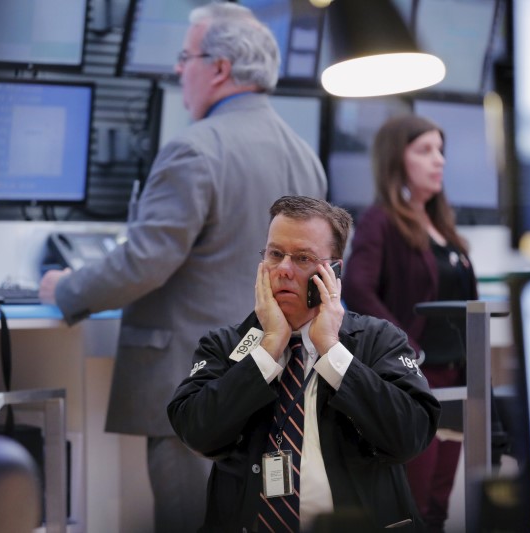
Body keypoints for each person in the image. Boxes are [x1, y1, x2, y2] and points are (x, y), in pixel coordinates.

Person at [39, 3, 327, 531]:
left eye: (185, 56)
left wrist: (66, 288)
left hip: (196, 385)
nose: (178, 70)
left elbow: (145, 260)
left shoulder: (196, 149)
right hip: (272, 377)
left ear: (219, 68)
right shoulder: (304, 156)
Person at [167, 196, 440, 532]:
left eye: (302, 258)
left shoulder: (378, 341)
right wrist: (267, 350)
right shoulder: (226, 345)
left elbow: (410, 435)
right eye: (275, 254)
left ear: (334, 270)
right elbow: (196, 432)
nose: (283, 268)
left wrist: (332, 350)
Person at [341, 114, 478, 532]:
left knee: (439, 505)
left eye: (440, 150)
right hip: (418, 383)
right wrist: (402, 349)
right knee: (413, 505)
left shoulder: (444, 228)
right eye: (424, 150)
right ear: (396, 161)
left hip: (458, 380)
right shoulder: (381, 221)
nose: (438, 160)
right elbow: (358, 287)